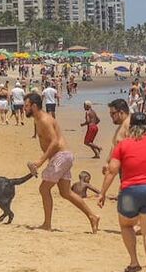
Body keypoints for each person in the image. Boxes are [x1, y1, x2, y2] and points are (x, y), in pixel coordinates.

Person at [97, 112, 146, 272]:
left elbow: (112, 170)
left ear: (130, 127)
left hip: (129, 191)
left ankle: (134, 262)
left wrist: (102, 193)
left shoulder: (123, 145)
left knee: (126, 225)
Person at [24, 92, 99, 233]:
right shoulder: (38, 119)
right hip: (63, 157)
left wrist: (40, 161)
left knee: (44, 189)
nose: (24, 108)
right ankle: (92, 216)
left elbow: (55, 142)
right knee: (66, 192)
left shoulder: (44, 120)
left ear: (34, 106)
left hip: (61, 156)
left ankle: (47, 224)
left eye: (26, 106)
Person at [104, 99, 131, 175]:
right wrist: (108, 162)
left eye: (113, 113)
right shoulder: (121, 126)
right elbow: (114, 146)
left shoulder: (129, 124)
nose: (111, 116)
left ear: (121, 112)